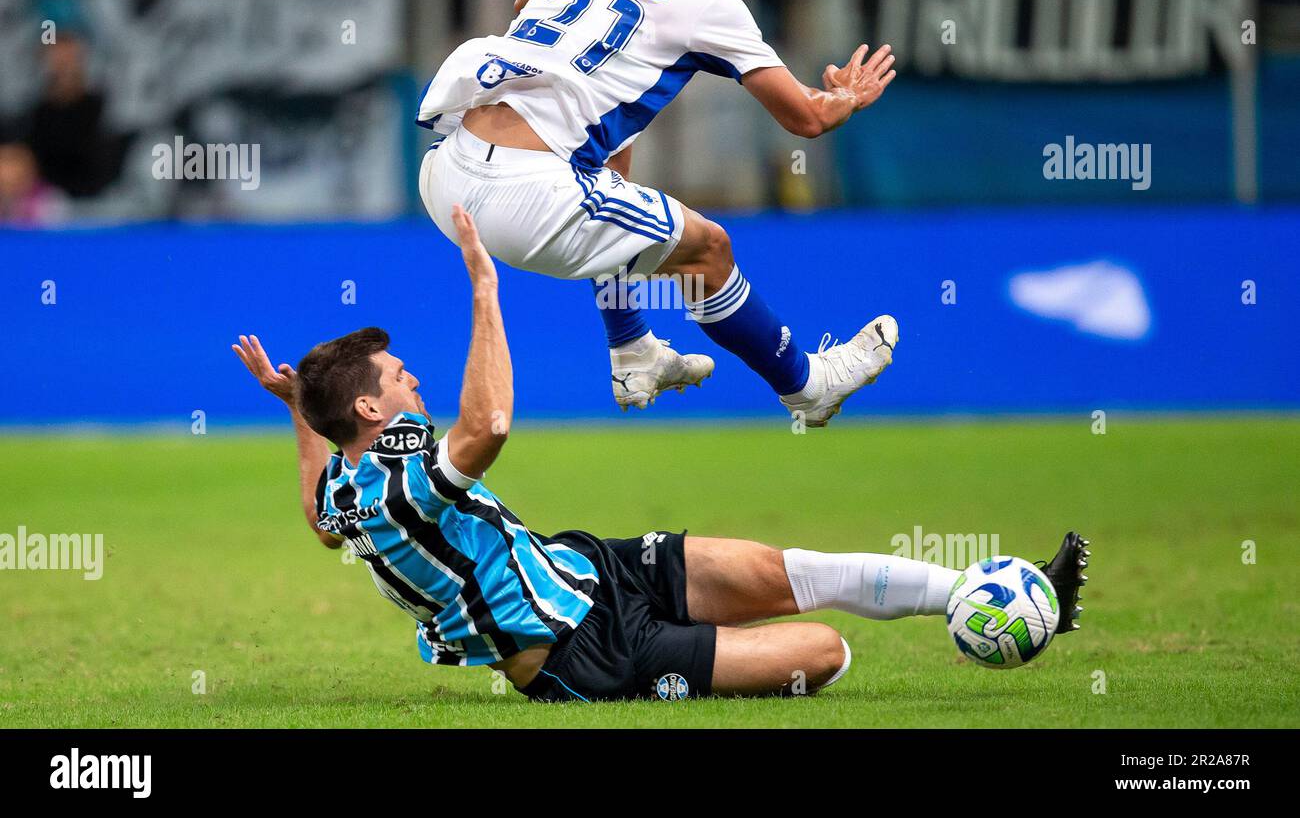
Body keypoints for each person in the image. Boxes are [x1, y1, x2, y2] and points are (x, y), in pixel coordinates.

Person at [231, 205, 1088, 702]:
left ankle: (989, 594)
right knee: (826, 652)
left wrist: (297, 410)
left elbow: (319, 517)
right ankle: (702, 640)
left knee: (783, 567)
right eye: (400, 378)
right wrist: (485, 287)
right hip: (578, 656)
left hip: (587, 570)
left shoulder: (353, 479)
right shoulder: (401, 475)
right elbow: (487, 427)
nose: (414, 383)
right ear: (372, 408)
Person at [416, 0, 899, 425]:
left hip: (445, 172)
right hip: (525, 196)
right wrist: (846, 96)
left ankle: (633, 350)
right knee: (709, 250)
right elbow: (805, 118)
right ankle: (808, 387)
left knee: (613, 165)